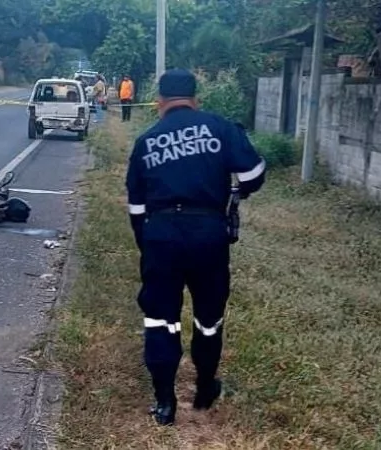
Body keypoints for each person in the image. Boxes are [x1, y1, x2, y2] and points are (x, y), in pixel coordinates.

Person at [125, 68, 266, 426]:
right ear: (195, 98)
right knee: (209, 318)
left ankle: (164, 403)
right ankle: (204, 388)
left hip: (161, 235)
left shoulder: (146, 140)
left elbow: (136, 207)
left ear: (159, 102)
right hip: (208, 233)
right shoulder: (219, 127)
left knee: (160, 320)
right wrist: (236, 193)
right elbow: (253, 174)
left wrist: (149, 244)